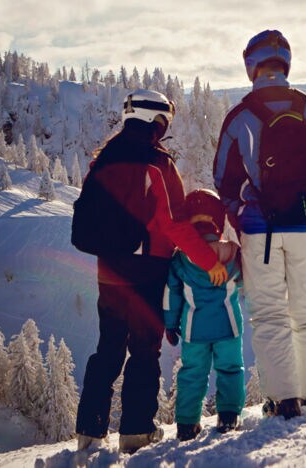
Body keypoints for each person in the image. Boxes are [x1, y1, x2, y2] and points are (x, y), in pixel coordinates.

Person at [72, 90, 229, 453]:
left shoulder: (103, 159)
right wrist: (208, 260)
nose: (164, 128)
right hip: (147, 269)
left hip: (110, 269)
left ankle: (89, 432)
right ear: (153, 120)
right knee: (144, 350)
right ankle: (136, 432)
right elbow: (174, 224)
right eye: (163, 121)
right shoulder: (158, 163)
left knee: (108, 348)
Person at [213, 30, 306, 419]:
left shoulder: (239, 117)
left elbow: (223, 180)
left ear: (251, 66)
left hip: (260, 230)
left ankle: (283, 400)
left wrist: (241, 216)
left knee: (269, 315)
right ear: (285, 63)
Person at [164, 189, 245, 441]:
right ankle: (229, 416)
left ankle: (187, 424)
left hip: (194, 330)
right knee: (230, 369)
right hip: (229, 327)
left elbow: (171, 295)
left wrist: (170, 324)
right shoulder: (232, 252)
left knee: (192, 373)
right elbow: (244, 281)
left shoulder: (180, 259)